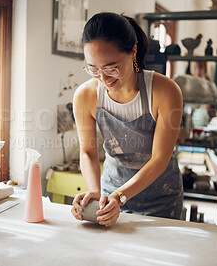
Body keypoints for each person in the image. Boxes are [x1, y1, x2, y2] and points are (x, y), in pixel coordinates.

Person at [71, 12, 183, 226]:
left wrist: (121, 196)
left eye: (111, 68)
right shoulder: (86, 96)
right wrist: (95, 192)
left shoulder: (164, 91)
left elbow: (160, 159)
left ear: (133, 52)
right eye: (93, 69)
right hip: (110, 196)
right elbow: (87, 151)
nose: (103, 78)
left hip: (161, 198)